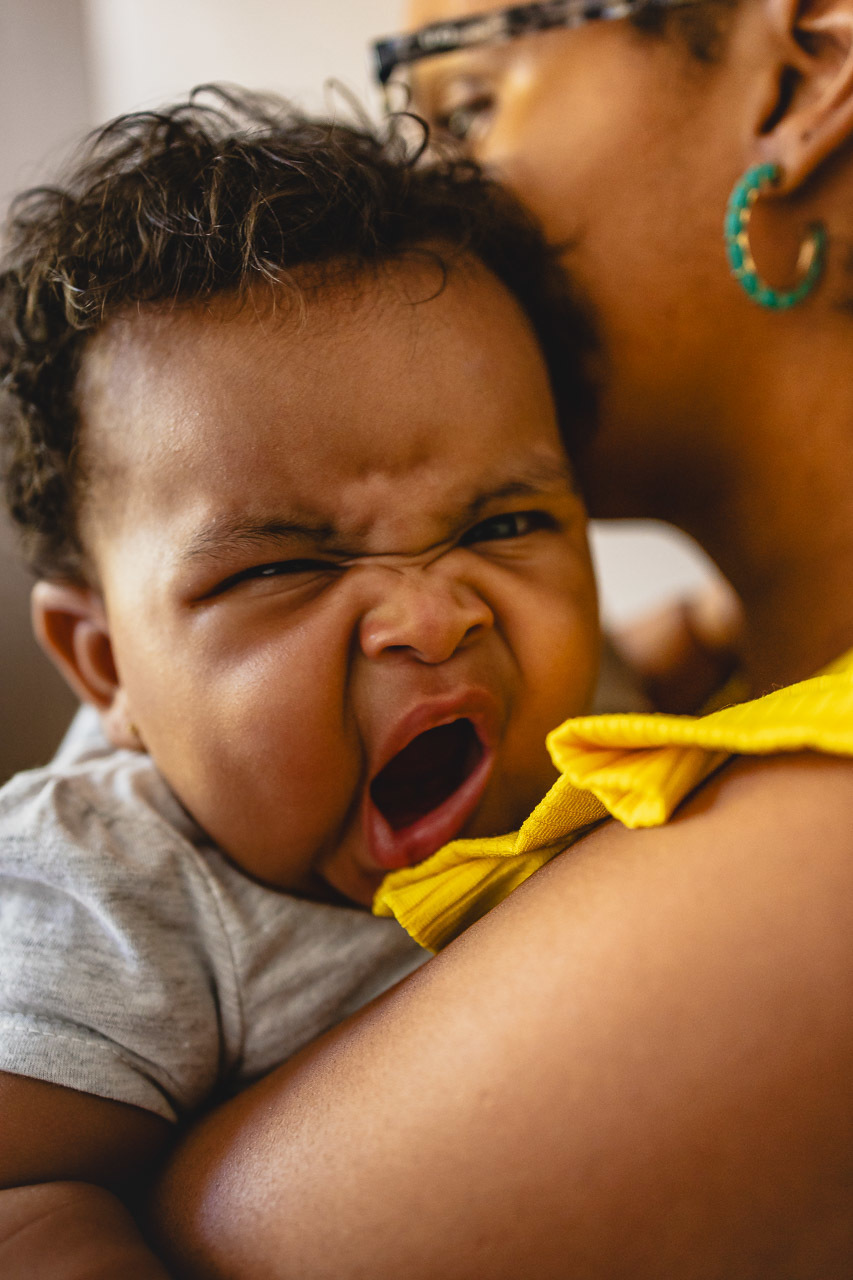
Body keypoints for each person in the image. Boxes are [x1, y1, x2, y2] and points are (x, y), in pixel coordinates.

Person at [140, 4, 853, 1277]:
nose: (429, 203)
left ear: (809, 74)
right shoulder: (686, 687)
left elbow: (227, 1236)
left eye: (468, 101)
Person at [0, 84, 623, 1274]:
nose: (434, 619)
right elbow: (19, 1188)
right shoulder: (112, 896)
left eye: (501, 524)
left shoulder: (583, 712)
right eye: (285, 563)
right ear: (103, 662)